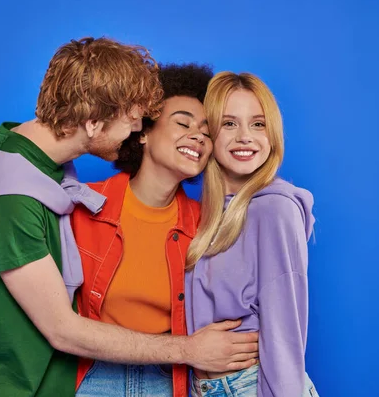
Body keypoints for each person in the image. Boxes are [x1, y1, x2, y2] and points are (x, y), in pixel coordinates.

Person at [0, 38, 257, 397]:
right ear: (92, 119)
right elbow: (63, 329)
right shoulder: (10, 196)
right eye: (132, 117)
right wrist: (190, 350)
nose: (135, 128)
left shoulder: (40, 176)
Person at [71, 64, 260, 397]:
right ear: (143, 131)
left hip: (169, 380)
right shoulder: (83, 206)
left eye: (207, 131)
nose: (198, 136)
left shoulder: (208, 228)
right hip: (92, 377)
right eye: (183, 123)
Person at [185, 71, 319, 397]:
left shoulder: (274, 209)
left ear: (272, 134)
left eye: (258, 124)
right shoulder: (210, 217)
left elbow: (285, 333)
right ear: (209, 133)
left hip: (254, 386)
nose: (245, 136)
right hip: (209, 388)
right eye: (229, 123)